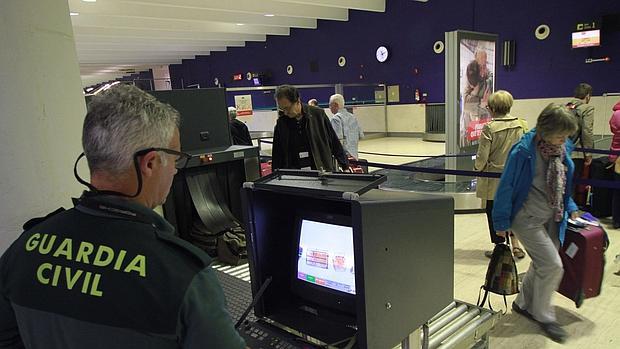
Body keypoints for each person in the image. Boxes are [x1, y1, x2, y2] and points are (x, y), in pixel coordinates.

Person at [0, 85, 246, 349]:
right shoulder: (180, 273)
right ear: (150, 163)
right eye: (175, 157)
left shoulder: (26, 247)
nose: (175, 170)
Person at [493, 103, 579, 343]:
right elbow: (505, 188)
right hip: (526, 218)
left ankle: (523, 303)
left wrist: (570, 207)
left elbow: (563, 185)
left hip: (553, 215)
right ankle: (543, 315)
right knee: (553, 265)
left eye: (566, 135)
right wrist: (501, 222)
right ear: (544, 130)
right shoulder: (523, 151)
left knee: (542, 263)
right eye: (560, 135)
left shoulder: (562, 148)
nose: (564, 140)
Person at [474, 90, 526, 259]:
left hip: (494, 177)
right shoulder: (522, 125)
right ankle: (516, 245)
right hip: (515, 176)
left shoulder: (490, 128)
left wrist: (477, 168)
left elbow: (482, 156)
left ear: (493, 108)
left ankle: (500, 247)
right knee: (513, 209)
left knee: (494, 211)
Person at [272, 85, 348, 171]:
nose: (285, 113)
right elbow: (277, 153)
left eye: (287, 108)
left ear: (297, 101)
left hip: (320, 170)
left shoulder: (318, 115)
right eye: (282, 109)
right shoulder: (281, 123)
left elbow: (334, 141)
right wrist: (275, 175)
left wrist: (344, 164)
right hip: (295, 175)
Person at [568, 83, 595, 201]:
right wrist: (588, 154)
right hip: (576, 152)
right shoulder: (587, 108)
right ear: (588, 96)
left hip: (561, 150)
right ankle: (570, 213)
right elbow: (587, 131)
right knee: (573, 184)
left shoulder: (566, 107)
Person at [329, 94, 364, 159]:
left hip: (343, 157)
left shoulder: (336, 119)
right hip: (354, 155)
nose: (329, 107)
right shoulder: (352, 117)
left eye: (330, 105)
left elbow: (337, 140)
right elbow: (361, 135)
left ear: (336, 105)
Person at [609, 99, 620, 228]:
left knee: (617, 192)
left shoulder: (615, 114)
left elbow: (613, 129)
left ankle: (616, 220)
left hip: (615, 155)